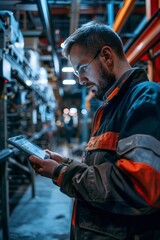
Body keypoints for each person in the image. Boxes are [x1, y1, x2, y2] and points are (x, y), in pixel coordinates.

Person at [29, 21, 160, 240]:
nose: (80, 80)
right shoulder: (111, 106)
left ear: (107, 56)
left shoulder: (144, 98)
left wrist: (61, 173)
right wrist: (65, 163)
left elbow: (137, 188)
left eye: (81, 68)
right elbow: (106, 169)